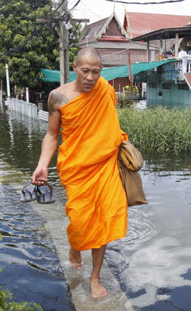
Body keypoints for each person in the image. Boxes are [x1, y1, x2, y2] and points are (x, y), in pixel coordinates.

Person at [31, 47, 128, 298]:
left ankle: (94, 278)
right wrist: (43, 164)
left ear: (101, 72)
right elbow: (52, 135)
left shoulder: (105, 89)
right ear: (75, 68)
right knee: (79, 220)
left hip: (104, 164)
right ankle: (75, 245)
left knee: (104, 220)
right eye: (85, 71)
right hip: (76, 169)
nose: (90, 77)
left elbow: (107, 120)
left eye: (95, 72)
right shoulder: (58, 97)